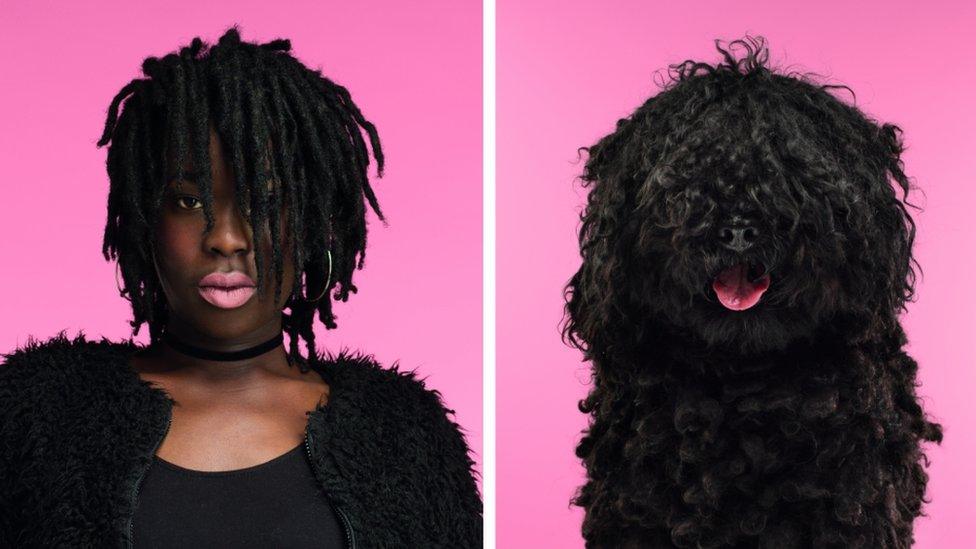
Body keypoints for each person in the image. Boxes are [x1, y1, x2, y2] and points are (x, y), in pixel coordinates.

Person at [0, 26, 482, 548]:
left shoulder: (402, 435)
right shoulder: (39, 418)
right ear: (144, 222)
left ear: (313, 222)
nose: (227, 238)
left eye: (267, 202)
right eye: (189, 201)